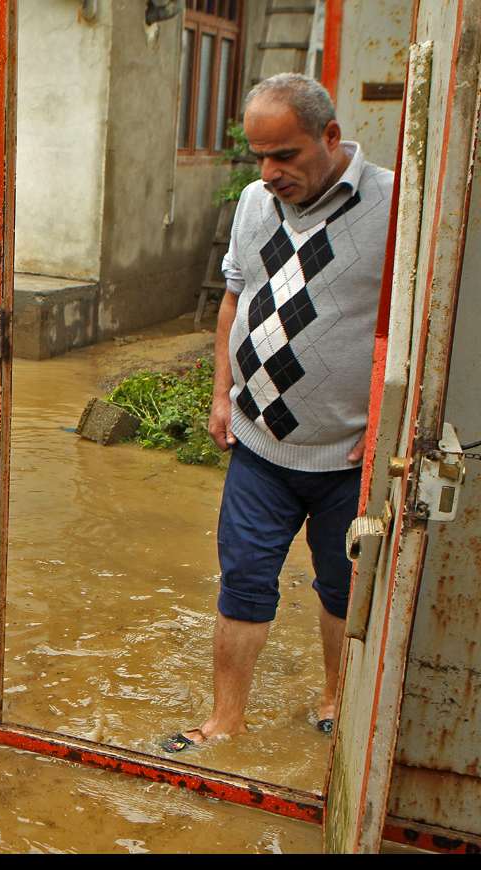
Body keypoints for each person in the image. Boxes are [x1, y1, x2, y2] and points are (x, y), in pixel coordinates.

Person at [163, 73, 393, 753]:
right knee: (243, 579)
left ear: (329, 136)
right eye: (258, 156)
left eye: (285, 155)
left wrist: (389, 422)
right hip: (260, 444)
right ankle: (226, 719)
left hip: (348, 452)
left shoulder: (394, 202)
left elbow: (416, 324)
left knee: (342, 582)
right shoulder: (256, 205)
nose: (269, 173)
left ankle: (333, 696)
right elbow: (234, 301)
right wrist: (218, 392)